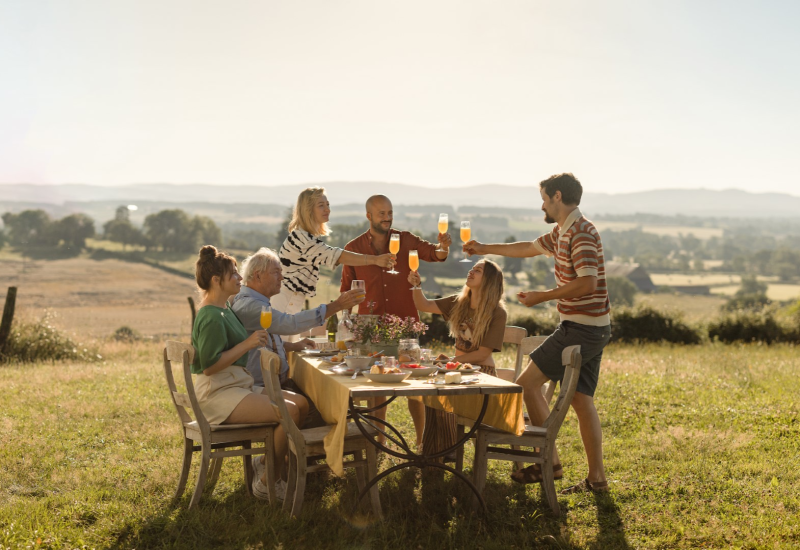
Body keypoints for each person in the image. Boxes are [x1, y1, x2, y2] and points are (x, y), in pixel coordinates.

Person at [463, 173, 612, 493]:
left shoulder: (582, 233)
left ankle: (551, 461)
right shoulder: (562, 231)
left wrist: (542, 296)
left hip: (581, 329)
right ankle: (597, 479)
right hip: (591, 327)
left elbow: (589, 283)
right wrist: (484, 247)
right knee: (582, 402)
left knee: (526, 385)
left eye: (544, 197)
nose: (542, 204)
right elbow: (527, 248)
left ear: (557, 197)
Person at [190, 245, 308, 502]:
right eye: (234, 274)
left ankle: (266, 462)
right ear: (216, 280)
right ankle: (267, 482)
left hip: (234, 385)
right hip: (217, 393)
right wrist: (247, 344)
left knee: (301, 403)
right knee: (290, 412)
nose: (240, 279)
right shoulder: (211, 316)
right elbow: (209, 366)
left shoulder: (225, 309)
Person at [340, 194, 452, 447]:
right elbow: (345, 290)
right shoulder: (354, 248)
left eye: (390, 212)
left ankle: (421, 440)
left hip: (406, 323)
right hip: (371, 328)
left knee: (414, 383)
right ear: (369, 216)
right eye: (381, 213)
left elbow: (435, 254)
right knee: (376, 384)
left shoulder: (406, 239)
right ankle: (379, 440)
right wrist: (347, 324)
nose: (387, 218)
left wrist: (444, 247)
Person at [231, 247, 366, 427]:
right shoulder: (251, 306)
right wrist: (337, 306)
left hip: (272, 382)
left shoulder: (253, 301)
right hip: (262, 387)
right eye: (276, 272)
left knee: (324, 395)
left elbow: (259, 340)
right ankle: (302, 452)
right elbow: (290, 324)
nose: (282, 277)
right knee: (325, 409)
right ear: (257, 276)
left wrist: (291, 347)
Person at [408, 259, 507, 457]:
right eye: (472, 268)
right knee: (432, 392)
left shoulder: (497, 312)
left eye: (477, 270)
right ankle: (437, 452)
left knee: (440, 395)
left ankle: (445, 451)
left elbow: (482, 354)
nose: (471, 271)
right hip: (456, 371)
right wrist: (416, 286)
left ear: (488, 280)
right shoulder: (458, 302)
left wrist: (449, 362)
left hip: (481, 374)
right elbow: (423, 304)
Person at [272, 187, 395, 321]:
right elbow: (337, 255)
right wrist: (375, 260)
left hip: (291, 302)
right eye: (321, 206)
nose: (327, 209)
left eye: (328, 205)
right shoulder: (301, 239)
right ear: (308, 210)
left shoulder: (305, 237)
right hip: (283, 304)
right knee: (279, 342)